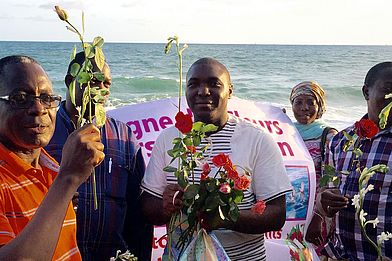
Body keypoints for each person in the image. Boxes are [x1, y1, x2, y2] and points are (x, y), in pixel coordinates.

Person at [141, 57, 292, 260]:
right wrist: (166, 206)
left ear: (230, 90)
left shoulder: (257, 139)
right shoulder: (170, 139)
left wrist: (225, 217)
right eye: (193, 84)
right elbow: (148, 206)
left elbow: (276, 214)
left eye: (214, 84)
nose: (203, 91)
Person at [45, 52, 153, 261]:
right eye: (93, 81)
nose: (102, 90)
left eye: (107, 84)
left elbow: (138, 213)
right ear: (70, 81)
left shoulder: (124, 136)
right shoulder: (44, 132)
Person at [0, 55, 104, 260]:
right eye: (20, 98)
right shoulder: (63, 174)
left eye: (47, 98)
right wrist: (68, 179)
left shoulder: (51, 167)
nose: (39, 108)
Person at [317, 62, 392, 260]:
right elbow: (327, 188)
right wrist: (323, 200)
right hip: (342, 254)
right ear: (367, 92)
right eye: (388, 89)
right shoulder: (341, 140)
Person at [289, 81, 337, 252]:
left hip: (317, 210)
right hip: (292, 208)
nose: (304, 108)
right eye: (298, 102)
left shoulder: (329, 136)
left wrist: (318, 217)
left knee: (313, 252)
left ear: (320, 106)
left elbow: (331, 180)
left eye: (311, 102)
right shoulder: (286, 132)